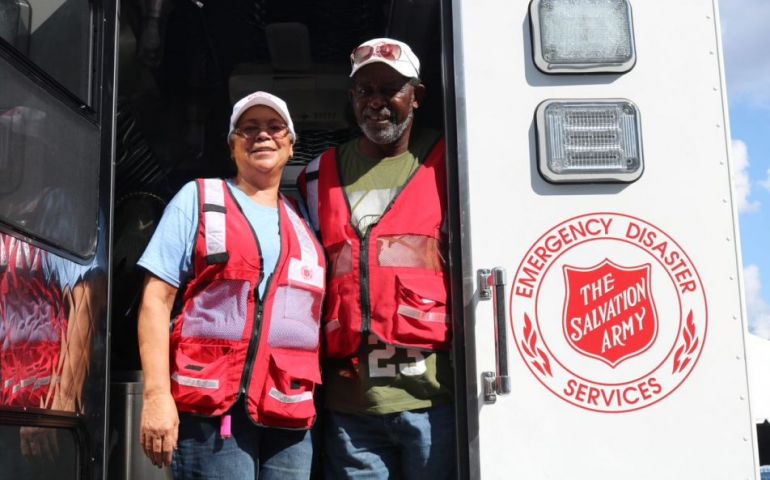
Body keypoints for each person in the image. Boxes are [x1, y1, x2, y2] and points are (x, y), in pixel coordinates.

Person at [137, 91, 326, 479]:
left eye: (275, 128)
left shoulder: (304, 221)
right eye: (249, 129)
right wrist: (156, 397)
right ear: (232, 145)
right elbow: (155, 301)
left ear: (291, 147)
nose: (262, 136)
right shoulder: (199, 198)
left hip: (287, 416)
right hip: (213, 415)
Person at [298, 38, 455, 478]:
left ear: (417, 97)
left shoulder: (450, 165)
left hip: (433, 402)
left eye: (390, 89)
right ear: (352, 99)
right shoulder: (316, 175)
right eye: (365, 90)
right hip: (352, 409)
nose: (376, 102)